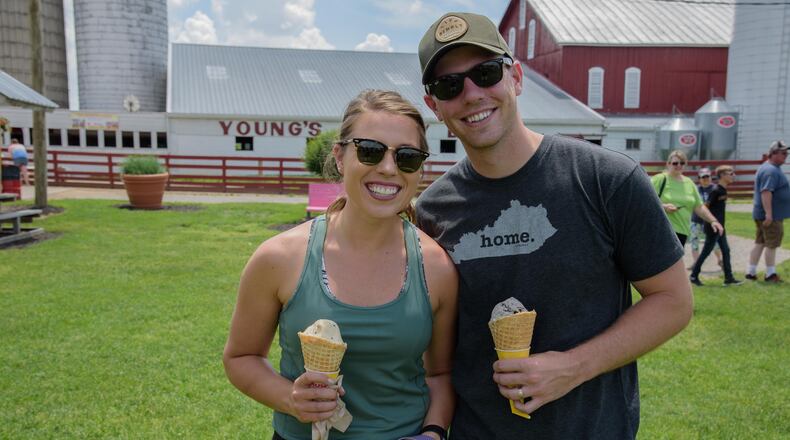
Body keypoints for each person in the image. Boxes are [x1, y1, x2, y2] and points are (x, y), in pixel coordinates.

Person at [414, 12, 693, 439]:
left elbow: (673, 300)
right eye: (449, 85)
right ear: (434, 106)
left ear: (517, 78)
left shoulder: (606, 178)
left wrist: (572, 367)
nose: (471, 94)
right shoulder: (432, 210)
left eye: (486, 73)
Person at [222, 90, 458, 440]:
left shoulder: (436, 267)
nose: (389, 168)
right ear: (340, 155)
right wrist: (290, 399)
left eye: (407, 156)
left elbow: (439, 375)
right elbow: (241, 357)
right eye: (370, 150)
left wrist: (434, 433)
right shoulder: (279, 258)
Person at [650, 150, 723, 246]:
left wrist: (713, 221)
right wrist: (664, 207)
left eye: (682, 163)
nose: (679, 165)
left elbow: (699, 206)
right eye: (675, 163)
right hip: (662, 230)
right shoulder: (659, 179)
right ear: (668, 164)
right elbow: (646, 200)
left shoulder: (689, 183)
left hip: (682, 231)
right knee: (673, 261)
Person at [689, 166, 742, 286]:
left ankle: (729, 278)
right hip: (713, 227)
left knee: (726, 251)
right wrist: (712, 222)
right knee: (706, 251)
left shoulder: (723, 190)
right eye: (730, 173)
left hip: (721, 227)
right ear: (722, 175)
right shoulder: (716, 191)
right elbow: (705, 207)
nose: (733, 175)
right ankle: (693, 276)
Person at [746, 140, 789, 282]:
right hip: (771, 216)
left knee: (760, 242)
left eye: (787, 153)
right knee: (772, 244)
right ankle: (770, 274)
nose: (786, 155)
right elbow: (766, 192)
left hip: (764, 214)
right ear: (773, 153)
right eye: (783, 153)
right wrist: (769, 214)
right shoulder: (770, 171)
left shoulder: (769, 168)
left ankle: (751, 272)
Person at [690, 168, 722, 267]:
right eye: (703, 177)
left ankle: (720, 260)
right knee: (694, 241)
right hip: (696, 220)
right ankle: (696, 263)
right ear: (699, 178)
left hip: (709, 221)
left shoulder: (715, 189)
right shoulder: (695, 189)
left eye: (707, 176)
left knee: (713, 242)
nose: (705, 179)